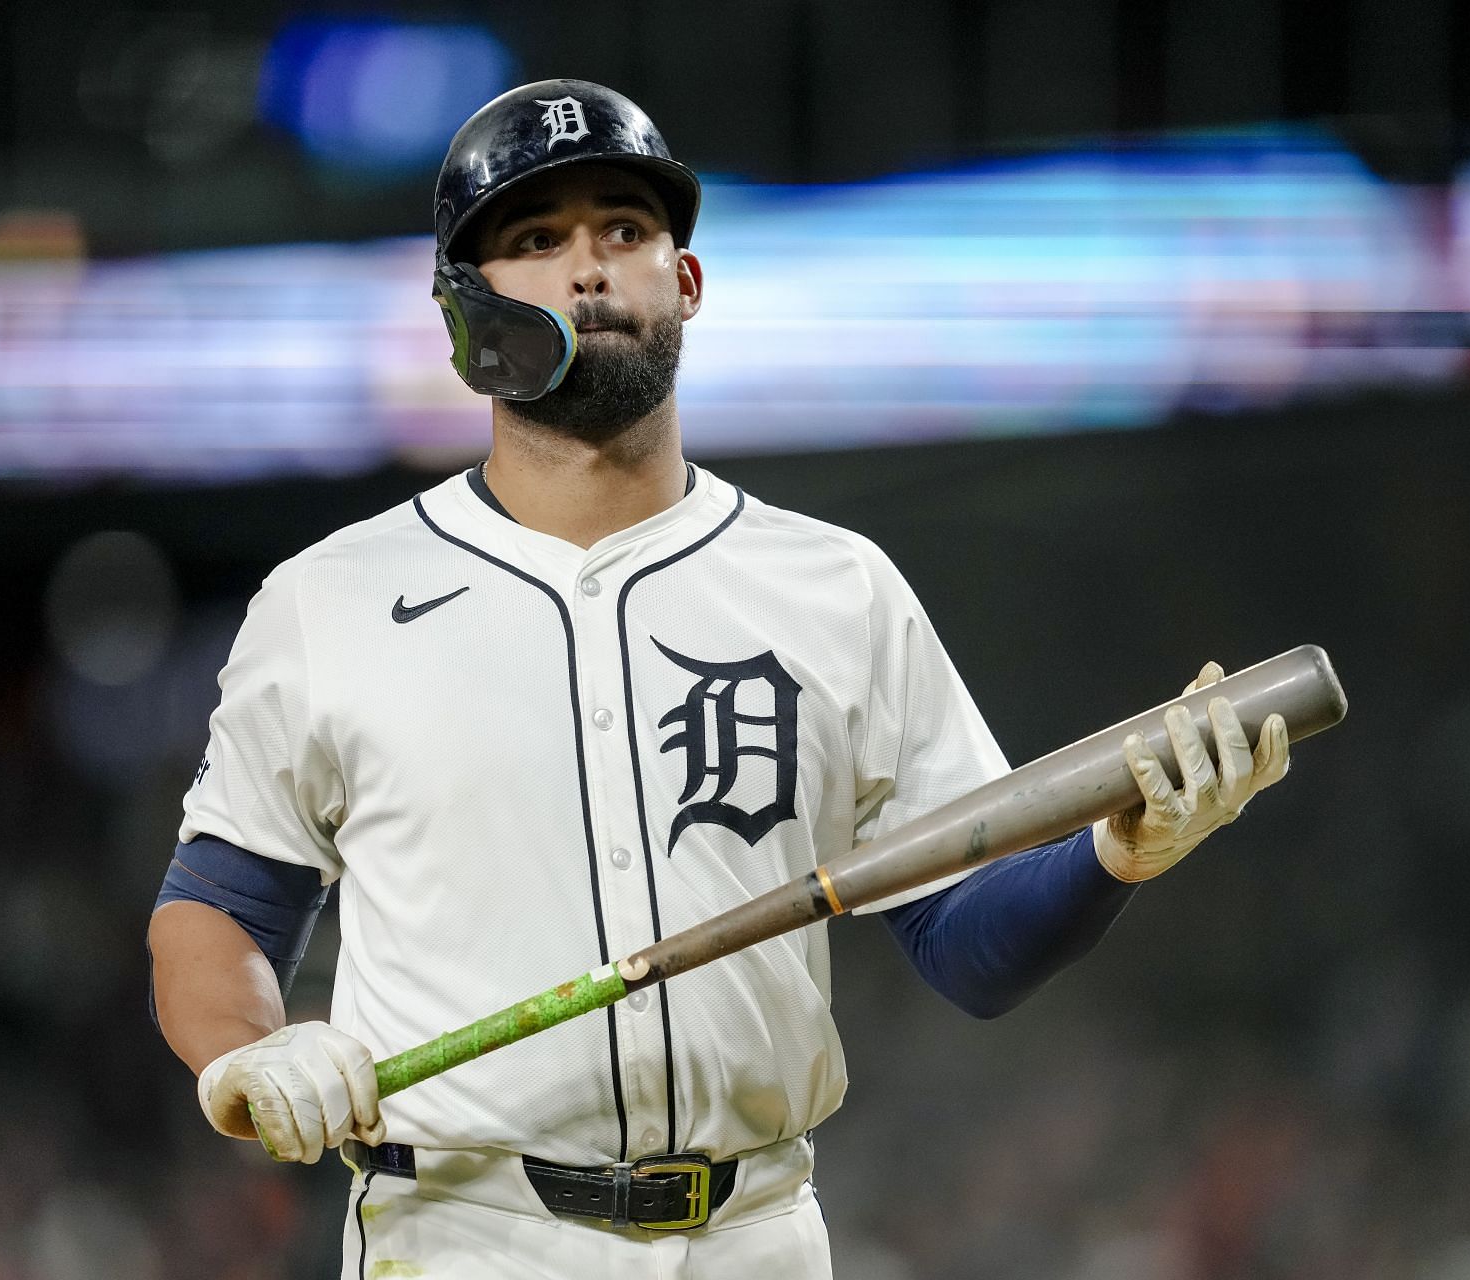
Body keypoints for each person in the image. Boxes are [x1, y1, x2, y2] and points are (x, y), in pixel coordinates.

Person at [146, 79, 1292, 1279]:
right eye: (536, 240)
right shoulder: (331, 598)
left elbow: (968, 945)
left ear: (685, 284)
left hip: (759, 1234)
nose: (589, 270)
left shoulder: (832, 585)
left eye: (625, 232)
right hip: (466, 1235)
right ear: (463, 307)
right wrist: (245, 1051)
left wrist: (1116, 850)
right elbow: (219, 903)